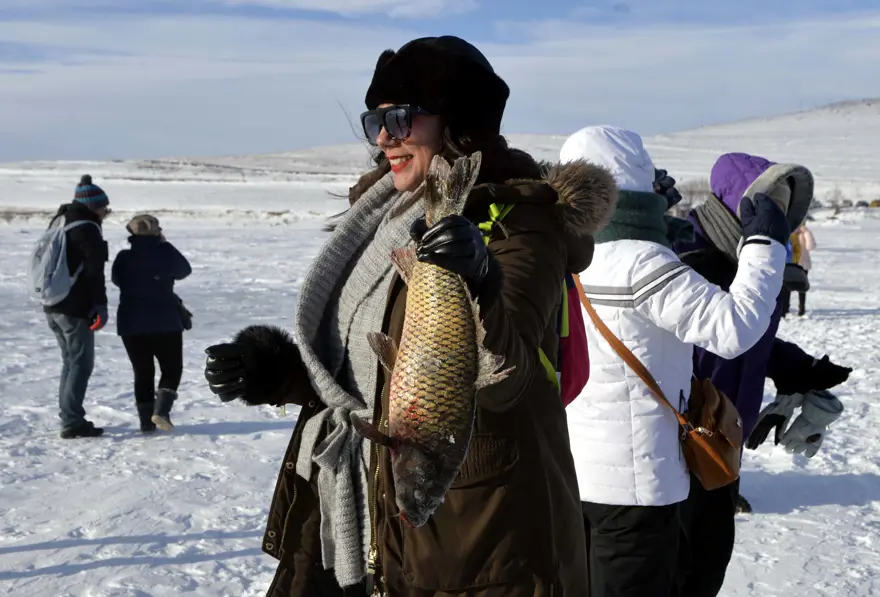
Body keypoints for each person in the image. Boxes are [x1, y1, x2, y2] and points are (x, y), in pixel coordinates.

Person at [203, 35, 618, 597]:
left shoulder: (518, 226)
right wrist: (278, 372)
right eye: (375, 117)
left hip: (483, 553)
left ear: (458, 122)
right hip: (382, 533)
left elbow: (509, 382)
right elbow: (373, 380)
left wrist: (481, 282)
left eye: (400, 117)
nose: (383, 136)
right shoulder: (384, 222)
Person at [560, 126, 788, 597]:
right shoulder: (643, 262)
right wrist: (764, 243)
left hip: (570, 475)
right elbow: (735, 328)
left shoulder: (562, 257)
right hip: (639, 485)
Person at [673, 152, 852, 597]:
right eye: (766, 202)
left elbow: (754, 341)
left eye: (783, 206)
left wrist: (797, 369)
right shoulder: (688, 262)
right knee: (676, 569)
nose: (775, 215)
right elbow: (720, 339)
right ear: (739, 203)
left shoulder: (757, 270)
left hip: (724, 441)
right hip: (676, 444)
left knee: (708, 566)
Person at [45, 175, 111, 439]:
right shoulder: (87, 229)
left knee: (70, 362)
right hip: (74, 307)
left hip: (53, 303)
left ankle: (69, 415)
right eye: (104, 207)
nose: (106, 212)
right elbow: (94, 272)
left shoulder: (60, 221)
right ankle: (72, 420)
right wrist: (100, 305)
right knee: (80, 364)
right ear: (94, 206)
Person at [112, 215, 191, 433]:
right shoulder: (165, 252)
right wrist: (164, 245)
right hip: (165, 320)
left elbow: (117, 280)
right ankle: (162, 411)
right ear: (157, 232)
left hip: (131, 322)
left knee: (142, 371)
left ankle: (146, 422)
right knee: (172, 369)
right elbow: (185, 271)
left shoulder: (123, 257)